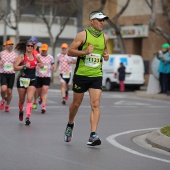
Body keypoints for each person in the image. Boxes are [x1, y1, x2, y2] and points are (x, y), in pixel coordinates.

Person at [64, 11, 109, 146]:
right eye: (99, 20)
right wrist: (84, 52)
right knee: (75, 105)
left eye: (103, 20)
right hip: (81, 75)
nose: (102, 22)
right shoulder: (83, 35)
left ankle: (93, 135)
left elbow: (104, 51)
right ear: (91, 21)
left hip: (96, 75)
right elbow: (70, 51)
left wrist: (106, 56)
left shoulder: (105, 37)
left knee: (95, 104)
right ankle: (70, 124)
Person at [14, 40, 44, 125]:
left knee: (30, 98)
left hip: (32, 80)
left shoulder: (36, 57)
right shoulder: (22, 56)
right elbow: (15, 67)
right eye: (28, 46)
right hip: (22, 80)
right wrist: (23, 66)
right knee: (21, 100)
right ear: (25, 47)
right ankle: (21, 110)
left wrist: (40, 65)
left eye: (31, 46)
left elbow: (42, 65)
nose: (30, 47)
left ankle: (27, 117)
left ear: (33, 47)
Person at [0, 40, 18, 112]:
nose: (11, 45)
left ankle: (7, 105)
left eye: (12, 44)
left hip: (11, 74)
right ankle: (3, 100)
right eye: (9, 44)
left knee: (9, 91)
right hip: (3, 73)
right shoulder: (1, 53)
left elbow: (17, 65)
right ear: (6, 45)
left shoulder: (15, 55)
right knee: (4, 89)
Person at [36, 44, 55, 113]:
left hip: (47, 76)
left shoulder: (50, 57)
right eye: (42, 50)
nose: (43, 51)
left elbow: (53, 63)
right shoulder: (37, 56)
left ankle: (44, 106)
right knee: (39, 90)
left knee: (45, 90)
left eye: (45, 50)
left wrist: (52, 67)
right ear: (41, 49)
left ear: (47, 50)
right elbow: (34, 63)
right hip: (38, 75)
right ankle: (40, 97)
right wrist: (37, 66)